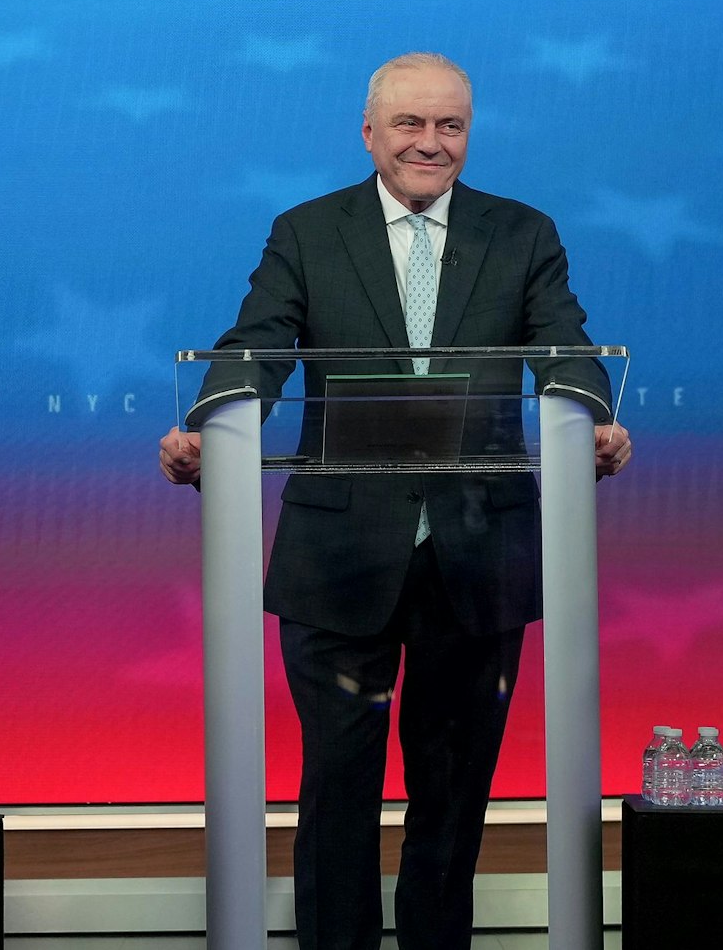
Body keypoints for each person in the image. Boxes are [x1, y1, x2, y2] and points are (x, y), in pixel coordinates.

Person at [158, 52, 631, 950]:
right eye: (410, 123)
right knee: (338, 786)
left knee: (452, 792)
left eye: (450, 125)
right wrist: (211, 428)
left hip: (478, 554)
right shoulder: (308, 231)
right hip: (338, 557)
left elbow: (566, 346)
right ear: (369, 132)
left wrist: (590, 422)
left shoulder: (522, 232)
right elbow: (256, 346)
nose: (430, 142)